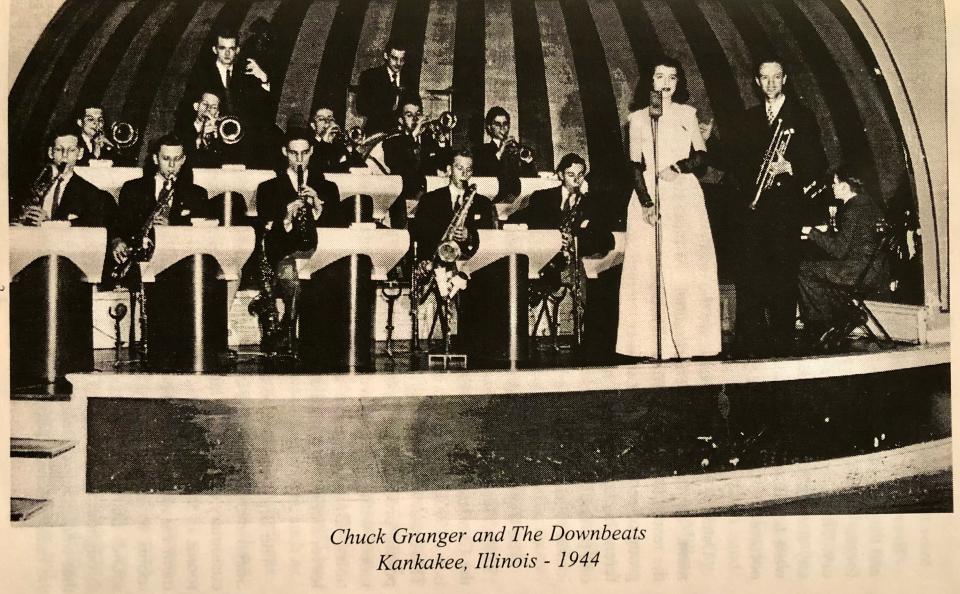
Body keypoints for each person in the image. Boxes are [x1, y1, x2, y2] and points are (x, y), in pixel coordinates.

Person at [615, 57, 721, 360]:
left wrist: (678, 166)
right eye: (659, 76)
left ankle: (689, 345)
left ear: (678, 83)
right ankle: (648, 346)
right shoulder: (637, 119)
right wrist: (646, 202)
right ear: (650, 81)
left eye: (671, 78)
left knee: (685, 269)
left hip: (683, 195)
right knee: (647, 270)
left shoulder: (688, 114)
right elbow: (635, 165)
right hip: (648, 194)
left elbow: (701, 155)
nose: (665, 83)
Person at [734, 56, 828, 357]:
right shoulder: (747, 118)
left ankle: (782, 341)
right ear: (757, 82)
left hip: (786, 211)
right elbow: (738, 163)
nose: (771, 83)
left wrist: (791, 165)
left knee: (783, 276)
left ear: (785, 79)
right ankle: (751, 341)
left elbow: (819, 163)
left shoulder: (802, 116)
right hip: (755, 210)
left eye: (777, 77)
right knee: (751, 275)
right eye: (765, 77)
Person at [254, 127, 340, 350]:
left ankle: (287, 329)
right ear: (285, 152)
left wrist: (318, 208)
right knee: (290, 273)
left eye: (304, 153)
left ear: (312, 152)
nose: (299, 159)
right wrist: (286, 217)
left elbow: (338, 228)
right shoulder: (267, 189)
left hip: (319, 253)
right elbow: (267, 234)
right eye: (293, 153)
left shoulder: (328, 188)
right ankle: (290, 330)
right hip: (284, 253)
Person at [409, 148, 499, 357]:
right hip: (438, 261)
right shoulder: (430, 200)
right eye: (459, 168)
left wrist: (469, 235)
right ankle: (454, 340)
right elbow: (420, 234)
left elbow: (488, 238)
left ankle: (475, 342)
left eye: (469, 169)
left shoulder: (483, 203)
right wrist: (425, 260)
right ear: (449, 169)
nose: (464, 174)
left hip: (470, 264)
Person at [798, 168, 888, 341]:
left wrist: (812, 232)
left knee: (805, 270)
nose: (833, 187)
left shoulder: (852, 210)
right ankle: (847, 314)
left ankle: (825, 323)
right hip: (873, 270)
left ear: (845, 187)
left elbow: (838, 250)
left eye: (835, 183)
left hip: (857, 272)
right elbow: (856, 237)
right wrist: (827, 232)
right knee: (821, 271)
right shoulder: (868, 204)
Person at [109, 134, 210, 281]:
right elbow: (119, 224)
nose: (171, 165)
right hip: (139, 264)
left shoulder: (197, 194)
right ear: (155, 159)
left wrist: (172, 228)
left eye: (177, 159)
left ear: (183, 160)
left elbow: (201, 237)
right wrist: (116, 241)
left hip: (179, 267)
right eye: (166, 159)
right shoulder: (132, 188)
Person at [181, 29, 276, 168]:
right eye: (222, 48)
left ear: (237, 50)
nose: (227, 53)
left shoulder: (248, 72)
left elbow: (265, 107)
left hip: (243, 142)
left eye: (231, 48)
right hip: (215, 142)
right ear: (215, 49)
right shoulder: (201, 74)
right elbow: (188, 109)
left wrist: (263, 78)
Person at [12, 124, 116, 228]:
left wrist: (48, 224)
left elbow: (92, 224)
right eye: (58, 149)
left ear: (80, 153)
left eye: (71, 150)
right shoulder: (30, 184)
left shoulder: (90, 193)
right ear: (50, 152)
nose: (64, 155)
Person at [473, 107, 537, 202]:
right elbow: (484, 174)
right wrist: (500, 151)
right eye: (498, 124)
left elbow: (531, 178)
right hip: (492, 200)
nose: (502, 128)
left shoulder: (518, 148)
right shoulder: (481, 150)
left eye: (505, 124)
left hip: (517, 201)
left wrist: (527, 161)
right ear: (489, 127)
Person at [356, 43, 409, 134]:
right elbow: (361, 107)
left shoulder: (409, 79)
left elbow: (416, 105)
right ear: (386, 55)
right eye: (394, 58)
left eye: (402, 59)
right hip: (376, 132)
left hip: (402, 134)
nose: (398, 63)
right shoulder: (369, 76)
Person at [176, 90, 227, 169]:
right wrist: (199, 137)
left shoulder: (221, 132)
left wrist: (216, 136)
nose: (208, 109)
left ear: (217, 113)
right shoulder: (181, 129)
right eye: (205, 104)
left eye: (214, 107)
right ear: (196, 106)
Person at [308, 104, 365, 173]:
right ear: (313, 125)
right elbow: (317, 168)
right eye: (321, 119)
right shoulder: (308, 144)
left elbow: (361, 167)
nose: (327, 122)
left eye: (331, 118)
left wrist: (350, 150)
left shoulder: (340, 144)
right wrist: (325, 140)